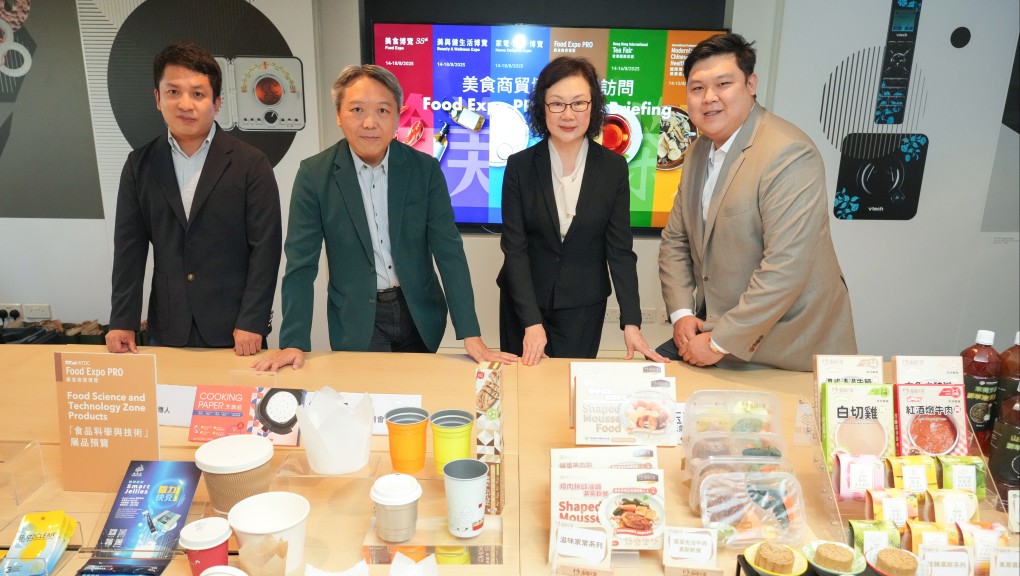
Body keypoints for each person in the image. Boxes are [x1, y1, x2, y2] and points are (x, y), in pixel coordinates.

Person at [254, 65, 513, 371]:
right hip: (356, 317)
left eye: (382, 110)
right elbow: (301, 264)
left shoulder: (424, 169)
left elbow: (449, 251)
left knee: (420, 390)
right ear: (338, 115)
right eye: (357, 110)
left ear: (398, 117)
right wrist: (293, 341)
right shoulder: (314, 175)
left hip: (418, 311)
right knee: (369, 393)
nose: (369, 123)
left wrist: (471, 333)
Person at [658, 33, 856, 372]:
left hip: (788, 346)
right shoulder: (697, 152)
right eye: (697, 88)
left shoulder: (787, 153)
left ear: (751, 84)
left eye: (723, 84)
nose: (709, 98)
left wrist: (719, 341)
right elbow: (675, 241)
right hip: (715, 332)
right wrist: (682, 314)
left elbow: (786, 267)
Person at [107, 42, 281, 357]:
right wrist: (122, 320)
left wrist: (253, 320)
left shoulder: (251, 163)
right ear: (157, 98)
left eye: (198, 94)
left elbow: (265, 249)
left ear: (217, 102)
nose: (185, 104)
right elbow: (129, 251)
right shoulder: (139, 165)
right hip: (168, 326)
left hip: (237, 330)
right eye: (173, 92)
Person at [498, 56, 667, 366]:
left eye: (578, 103)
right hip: (522, 304)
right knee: (522, 386)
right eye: (557, 103)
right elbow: (515, 249)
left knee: (571, 386)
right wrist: (531, 323)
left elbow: (619, 250)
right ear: (542, 107)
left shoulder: (613, 168)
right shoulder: (519, 166)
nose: (568, 114)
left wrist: (631, 322)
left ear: (593, 106)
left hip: (583, 306)